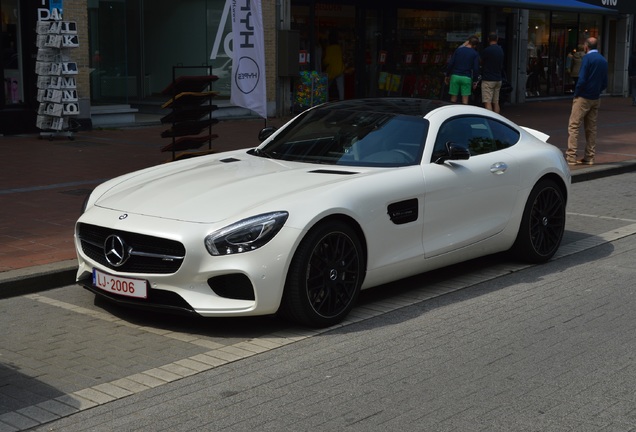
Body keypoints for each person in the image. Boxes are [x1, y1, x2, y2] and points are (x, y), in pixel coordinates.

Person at [566, 37, 608, 166]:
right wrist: (597, 91)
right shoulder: (603, 60)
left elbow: (582, 78)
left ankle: (571, 156)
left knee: (574, 126)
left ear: (586, 46)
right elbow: (605, 82)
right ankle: (589, 157)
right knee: (591, 128)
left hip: (583, 96)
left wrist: (577, 93)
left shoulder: (587, 59)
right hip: (595, 97)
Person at [445, 35, 480, 104]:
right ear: (475, 45)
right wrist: (475, 81)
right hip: (466, 77)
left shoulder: (459, 50)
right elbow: (476, 69)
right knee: (465, 99)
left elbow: (451, 63)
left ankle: (453, 112)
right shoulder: (475, 53)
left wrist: (447, 75)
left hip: (455, 76)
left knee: (453, 98)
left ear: (468, 42)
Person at [480, 33, 504, 113]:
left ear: (488, 39)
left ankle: (490, 120)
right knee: (496, 102)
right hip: (498, 78)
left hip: (488, 79)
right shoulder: (500, 50)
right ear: (497, 39)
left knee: (487, 102)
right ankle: (497, 119)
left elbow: (481, 61)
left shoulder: (487, 50)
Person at [323, 31, 345, 100]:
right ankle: (342, 100)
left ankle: (325, 100)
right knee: (340, 87)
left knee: (325, 87)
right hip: (340, 69)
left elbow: (326, 60)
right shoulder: (339, 48)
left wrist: (323, 64)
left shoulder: (329, 48)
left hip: (331, 70)